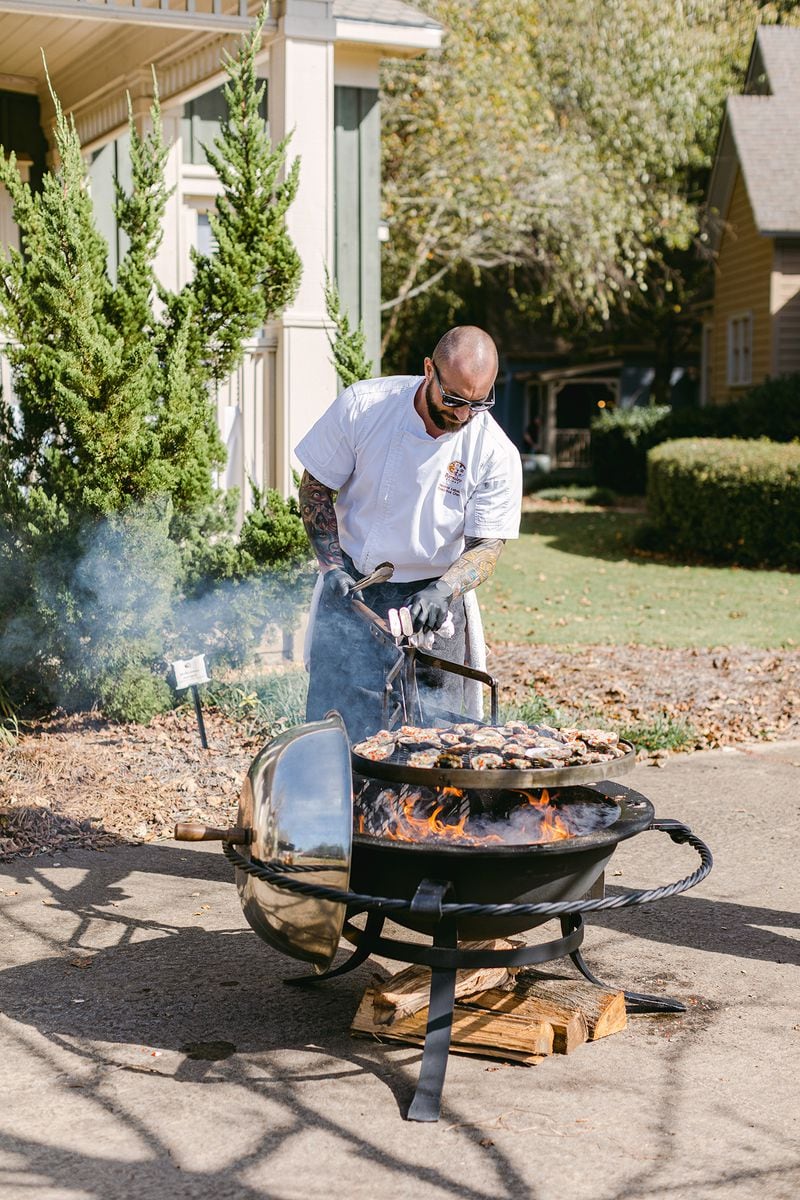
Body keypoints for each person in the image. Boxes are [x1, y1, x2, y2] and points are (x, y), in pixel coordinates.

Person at [295, 325, 522, 742]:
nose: (463, 415)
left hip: (434, 605)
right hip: (355, 590)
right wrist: (332, 566)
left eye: (478, 403)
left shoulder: (494, 451)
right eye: (453, 399)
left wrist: (444, 590)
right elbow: (314, 487)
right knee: (337, 737)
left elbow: (488, 545)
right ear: (429, 370)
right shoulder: (365, 406)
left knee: (434, 743)